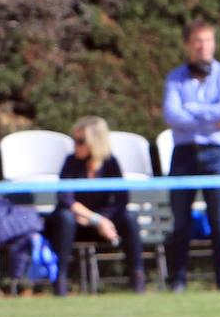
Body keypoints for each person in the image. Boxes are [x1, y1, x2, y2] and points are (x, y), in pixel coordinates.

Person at [163, 19, 220, 292]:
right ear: (188, 45)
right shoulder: (175, 78)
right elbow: (172, 116)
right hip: (183, 155)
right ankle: (178, 281)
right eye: (197, 41)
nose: (203, 46)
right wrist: (208, 117)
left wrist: (192, 108)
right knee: (180, 222)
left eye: (207, 40)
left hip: (217, 155)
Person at [45, 116, 145, 295]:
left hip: (104, 225)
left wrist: (104, 221)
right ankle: (60, 282)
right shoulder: (71, 162)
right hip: (75, 224)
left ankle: (137, 280)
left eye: (80, 141)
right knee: (65, 217)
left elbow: (122, 198)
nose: (75, 145)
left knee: (130, 217)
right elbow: (66, 199)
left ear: (95, 142)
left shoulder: (110, 163)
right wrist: (96, 219)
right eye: (74, 140)